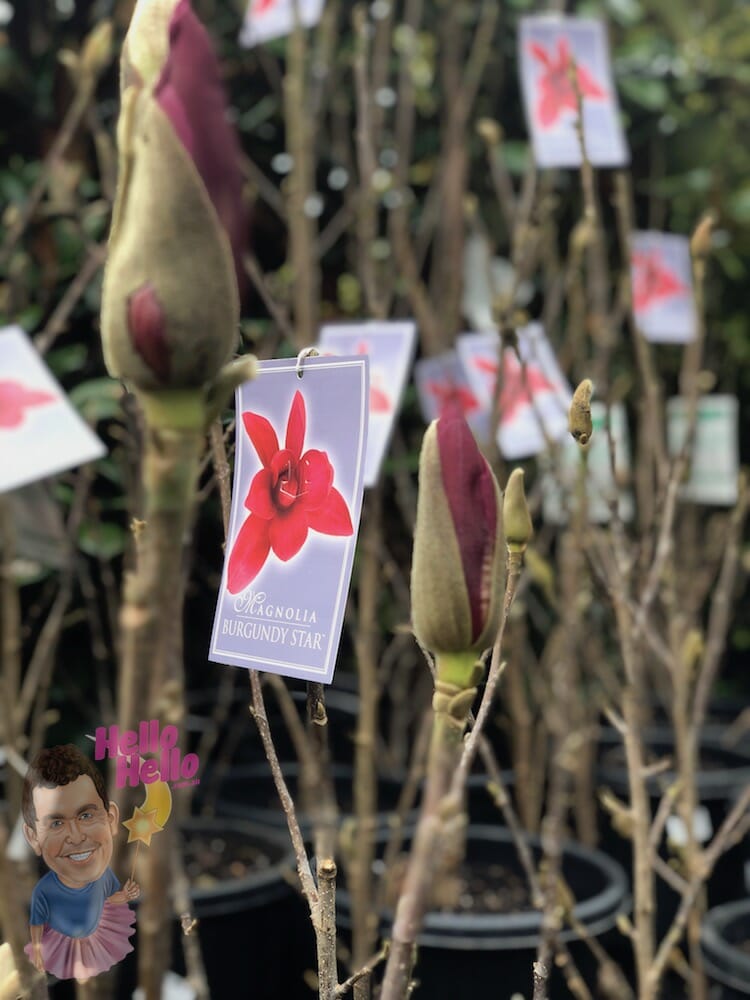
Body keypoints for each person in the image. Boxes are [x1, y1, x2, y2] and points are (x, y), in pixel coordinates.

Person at [21, 744, 140, 981]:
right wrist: (37, 949)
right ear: (33, 838)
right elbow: (37, 924)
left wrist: (124, 896)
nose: (76, 837)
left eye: (86, 815)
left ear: (111, 819)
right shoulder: (44, 890)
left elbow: (108, 900)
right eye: (56, 823)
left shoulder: (105, 877)